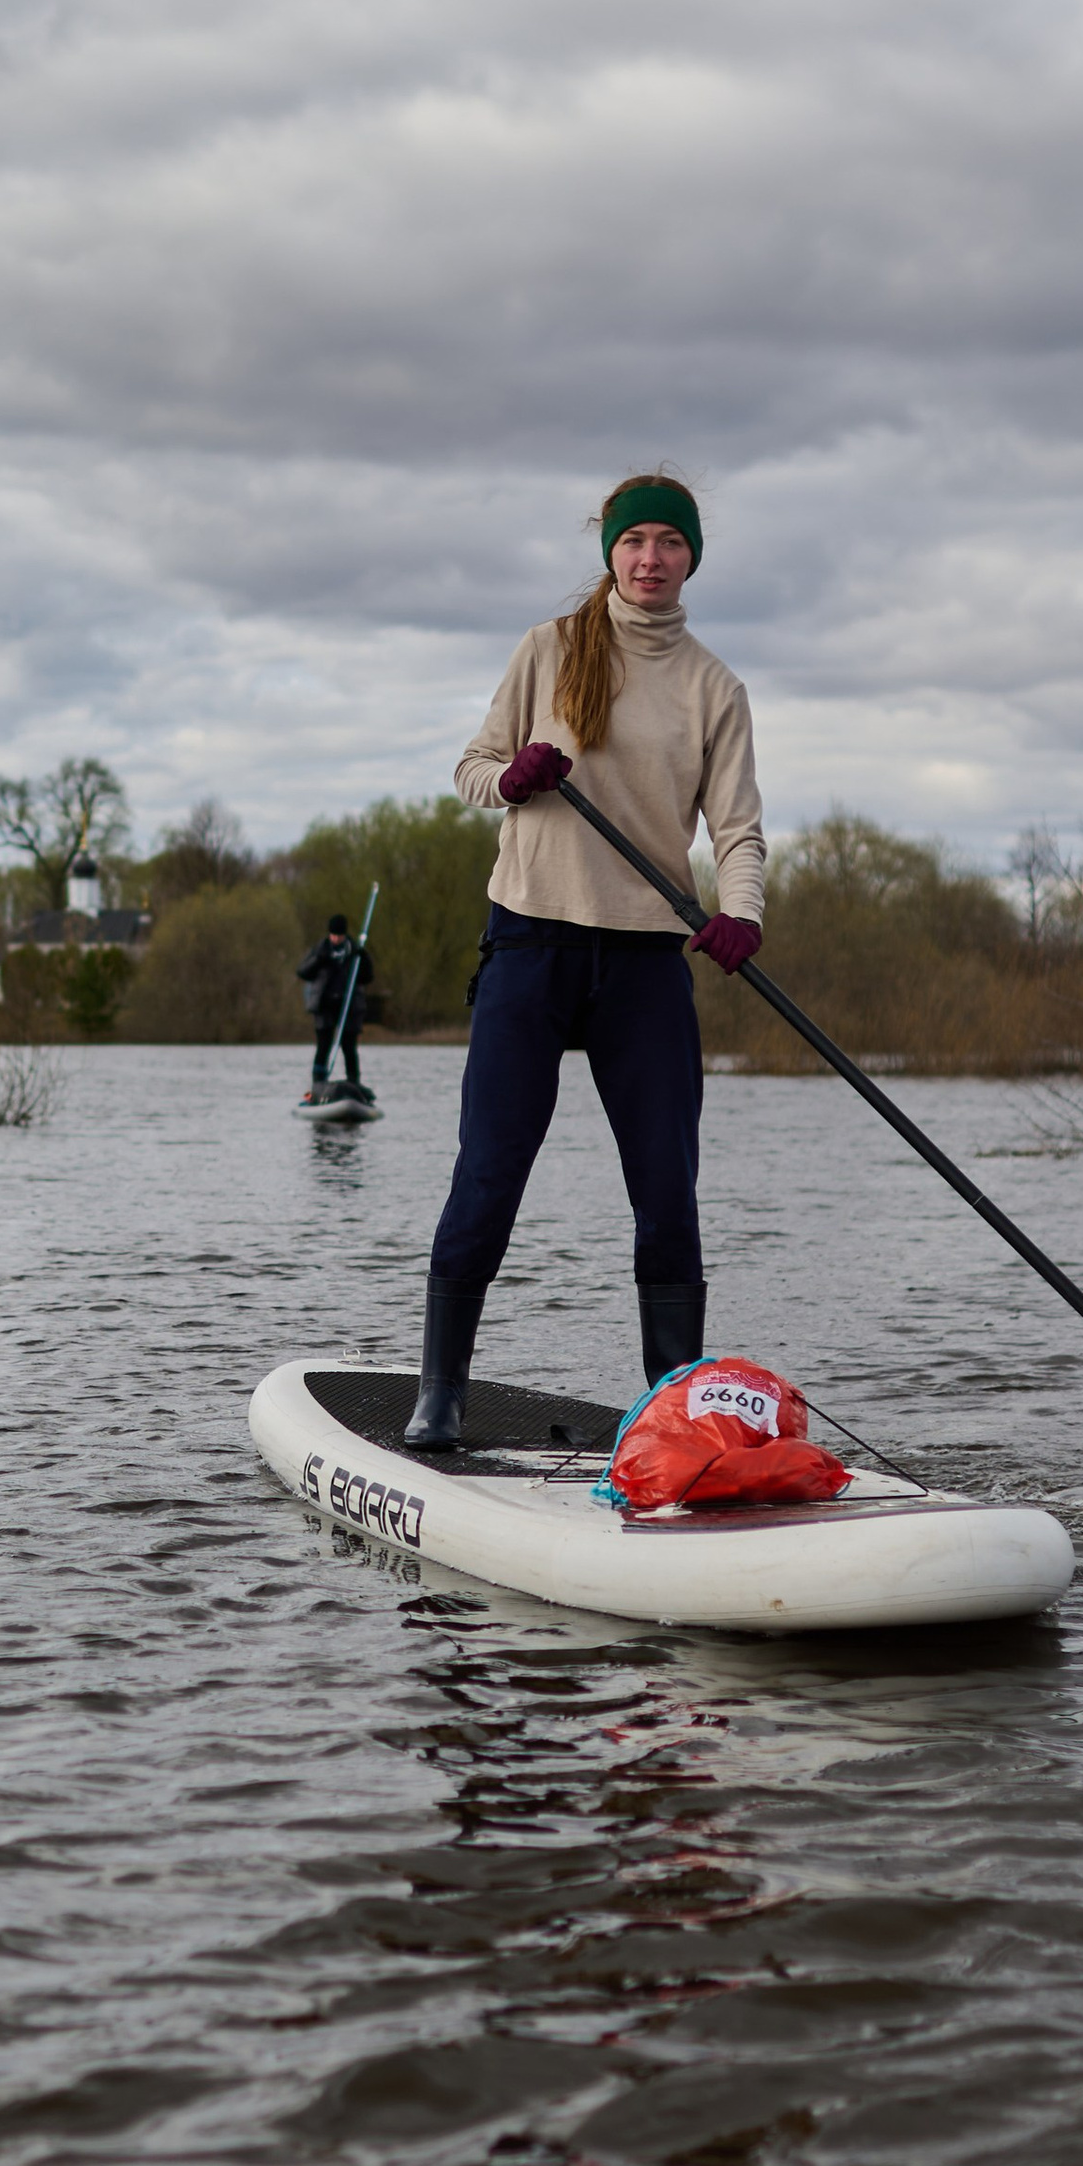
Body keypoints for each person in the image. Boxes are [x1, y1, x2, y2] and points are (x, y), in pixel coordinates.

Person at [405, 470, 764, 1448]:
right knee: (489, 1173)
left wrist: (741, 914)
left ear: (692, 557)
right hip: (530, 941)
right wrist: (512, 780)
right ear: (609, 551)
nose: (651, 558)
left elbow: (736, 832)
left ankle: (675, 1412)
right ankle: (440, 1393)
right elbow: (472, 768)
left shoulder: (713, 688)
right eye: (635, 540)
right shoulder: (549, 650)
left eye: (670, 543)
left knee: (666, 1187)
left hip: (645, 962)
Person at [297, 910, 375, 1094]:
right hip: (324, 1006)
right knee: (323, 1045)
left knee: (349, 1047)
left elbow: (367, 977)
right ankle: (318, 1083)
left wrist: (363, 958)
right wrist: (319, 959)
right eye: (333, 935)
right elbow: (302, 972)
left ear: (344, 934)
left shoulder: (354, 951)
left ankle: (353, 1083)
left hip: (349, 1006)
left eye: (339, 935)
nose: (336, 939)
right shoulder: (320, 949)